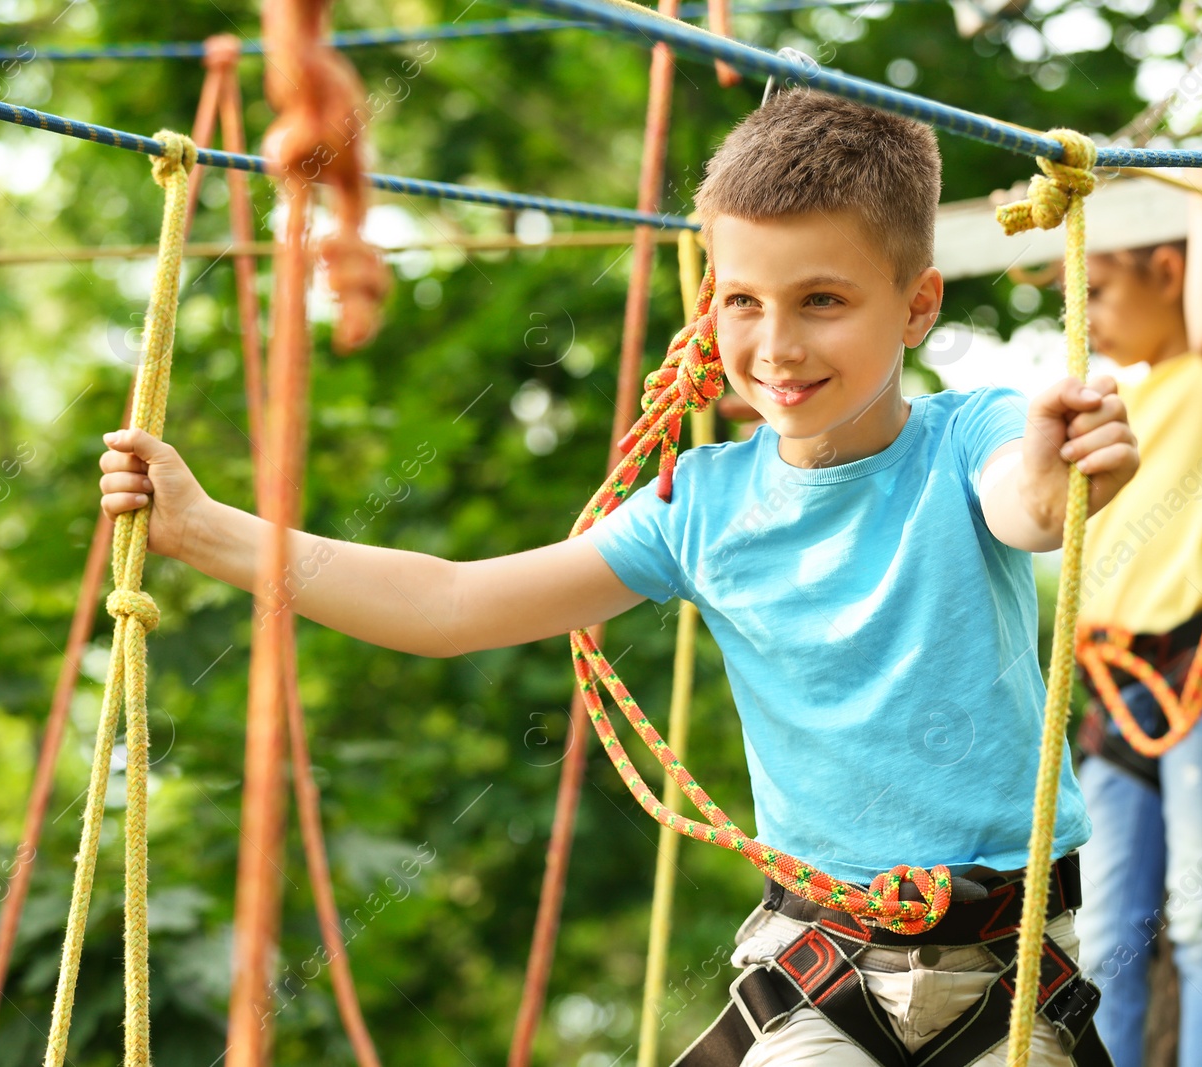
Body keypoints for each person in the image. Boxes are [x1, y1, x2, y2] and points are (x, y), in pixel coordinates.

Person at [98, 89, 1138, 1066]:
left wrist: (1065, 463)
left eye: (822, 300)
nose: (775, 345)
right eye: (741, 301)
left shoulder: (973, 436)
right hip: (824, 976)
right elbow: (453, 603)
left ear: (916, 307)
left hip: (1008, 972)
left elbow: (1031, 507)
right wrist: (213, 531)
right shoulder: (701, 508)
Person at [1070, 170, 1202, 1067]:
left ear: (1167, 268)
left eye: (1097, 288)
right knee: (1106, 937)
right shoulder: (1107, 404)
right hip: (1120, 690)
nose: (1087, 314)